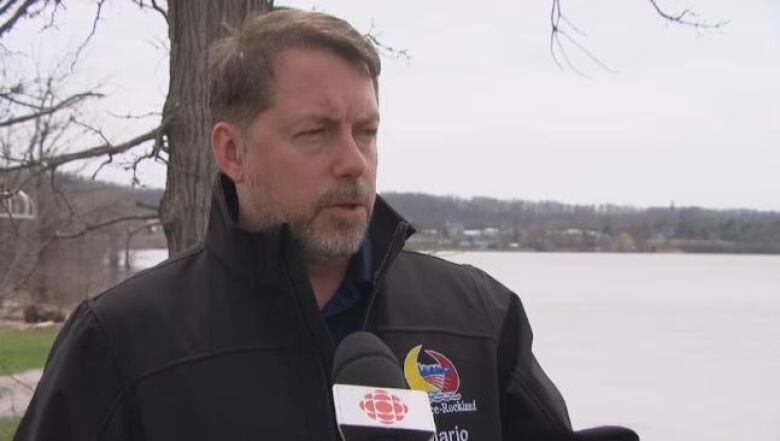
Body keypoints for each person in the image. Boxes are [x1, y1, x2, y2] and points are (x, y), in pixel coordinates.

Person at [14, 8, 635, 441]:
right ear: (232, 153)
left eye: (366, 131)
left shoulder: (476, 317)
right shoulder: (123, 340)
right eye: (316, 133)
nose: (353, 161)